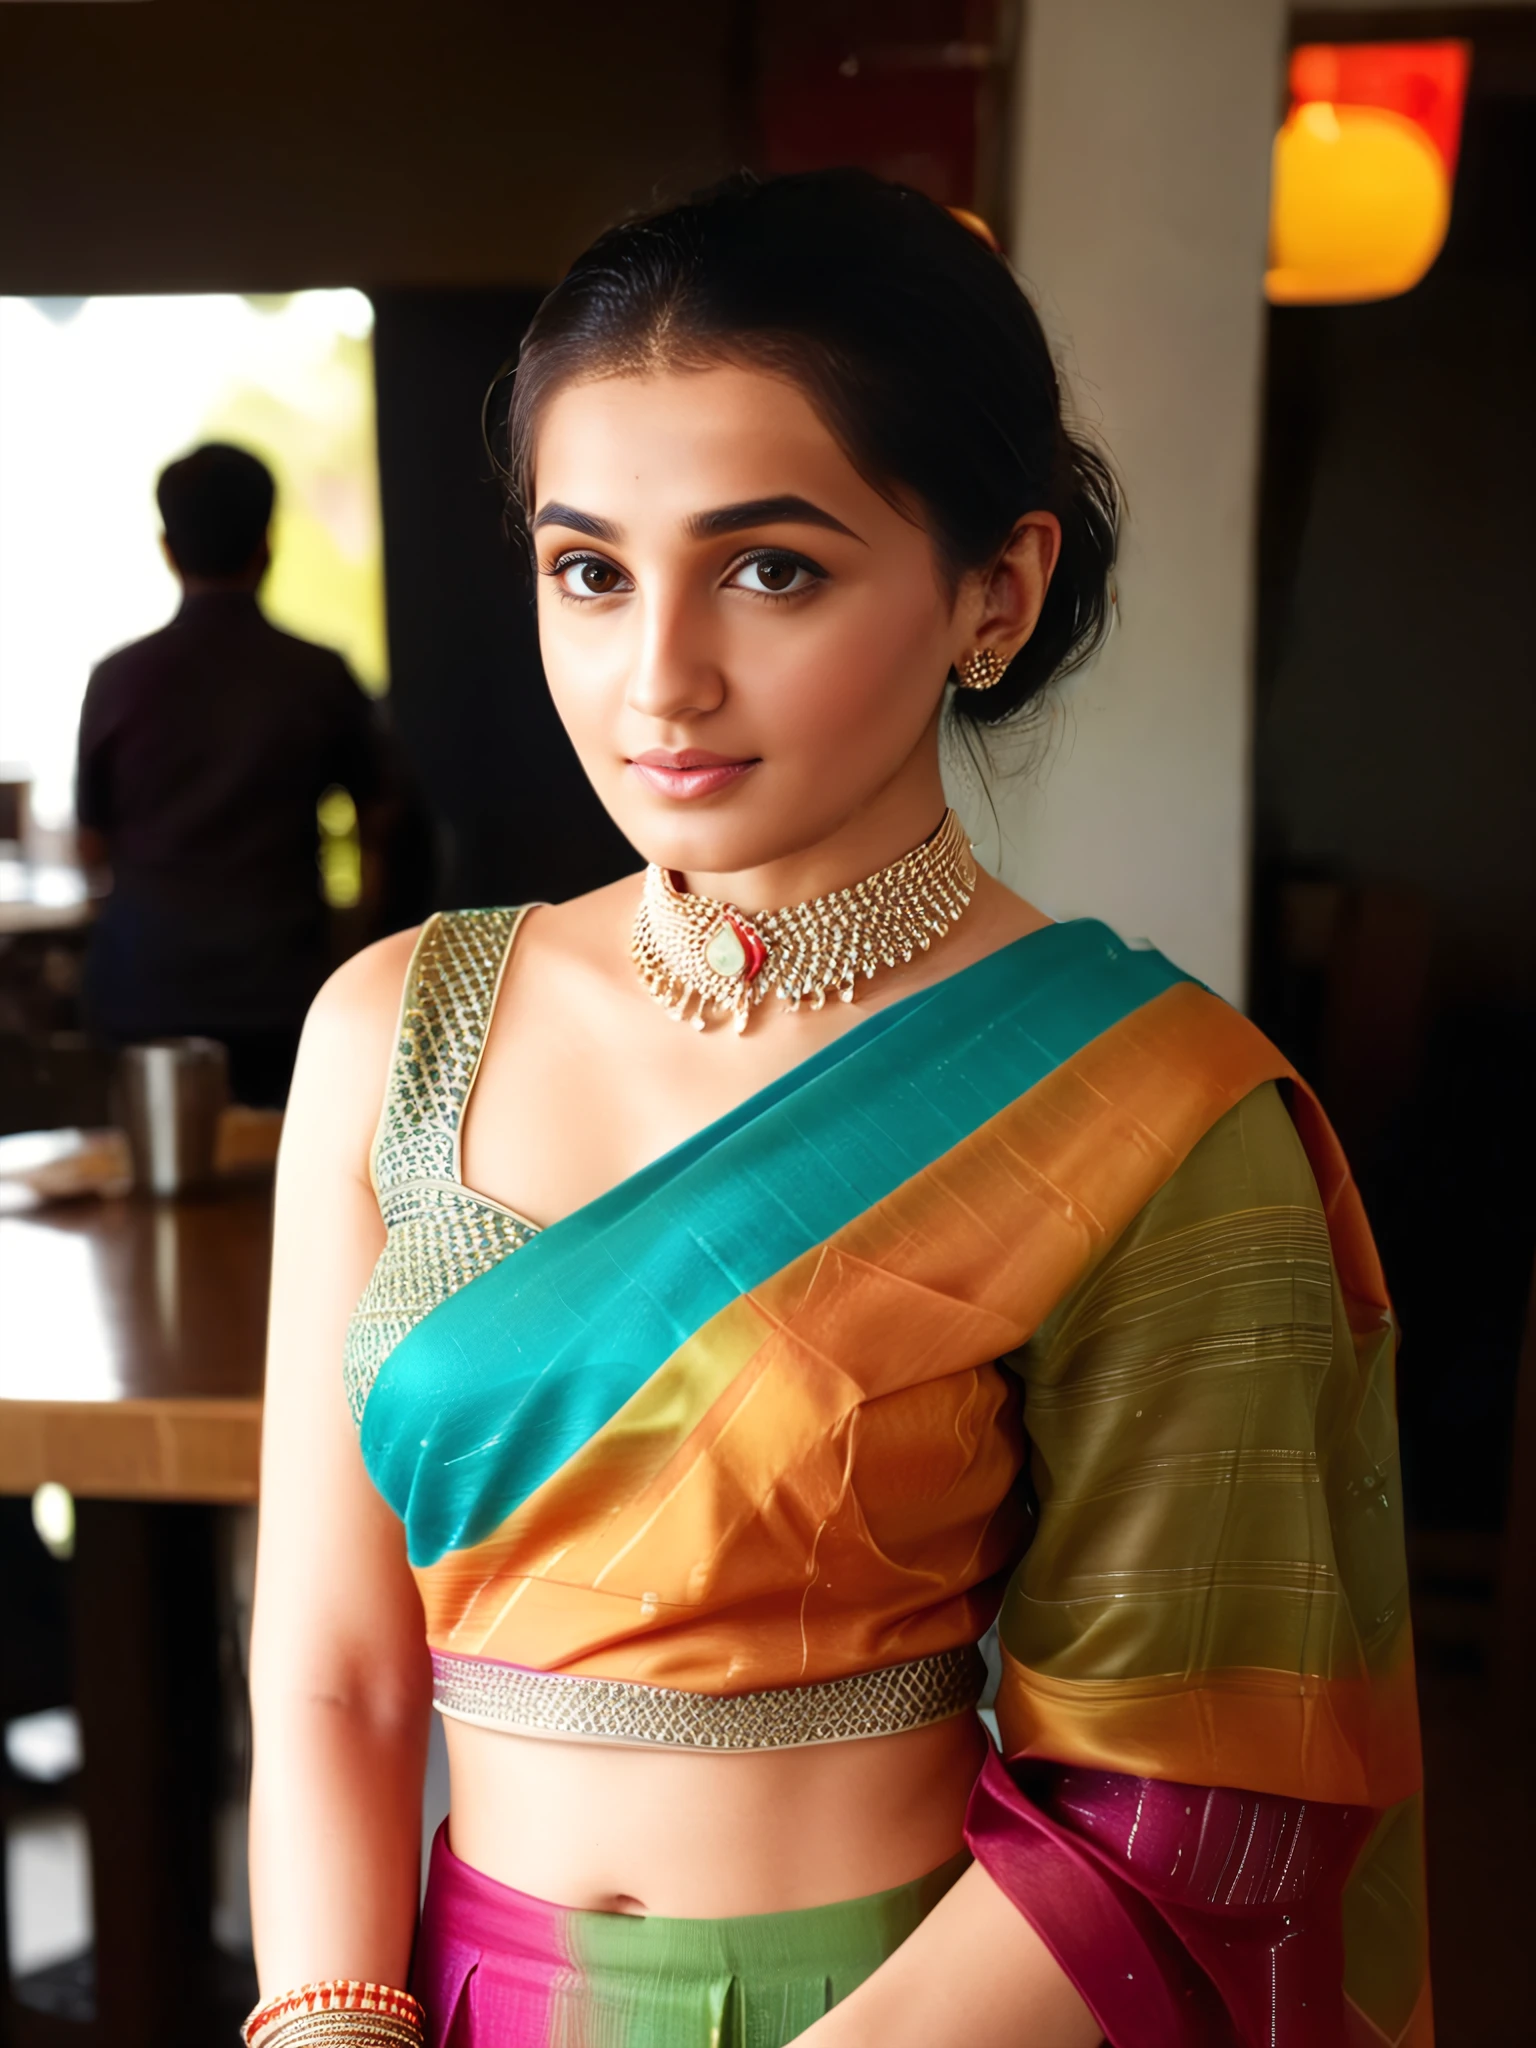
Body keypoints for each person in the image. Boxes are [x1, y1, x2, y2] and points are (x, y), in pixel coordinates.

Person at [247, 172, 1429, 2048]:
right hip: (448, 2003)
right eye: (590, 567)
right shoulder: (396, 1028)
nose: (659, 677)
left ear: (996, 590)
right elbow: (331, 1669)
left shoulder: (1144, 1102)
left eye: (769, 566)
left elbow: (1196, 1793)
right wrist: (330, 2021)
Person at [75, 442, 386, 1107]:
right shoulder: (318, 675)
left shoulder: (117, 681)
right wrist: (353, 942)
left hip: (142, 991)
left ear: (168, 549)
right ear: (266, 545)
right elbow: (382, 823)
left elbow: (91, 845)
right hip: (285, 992)